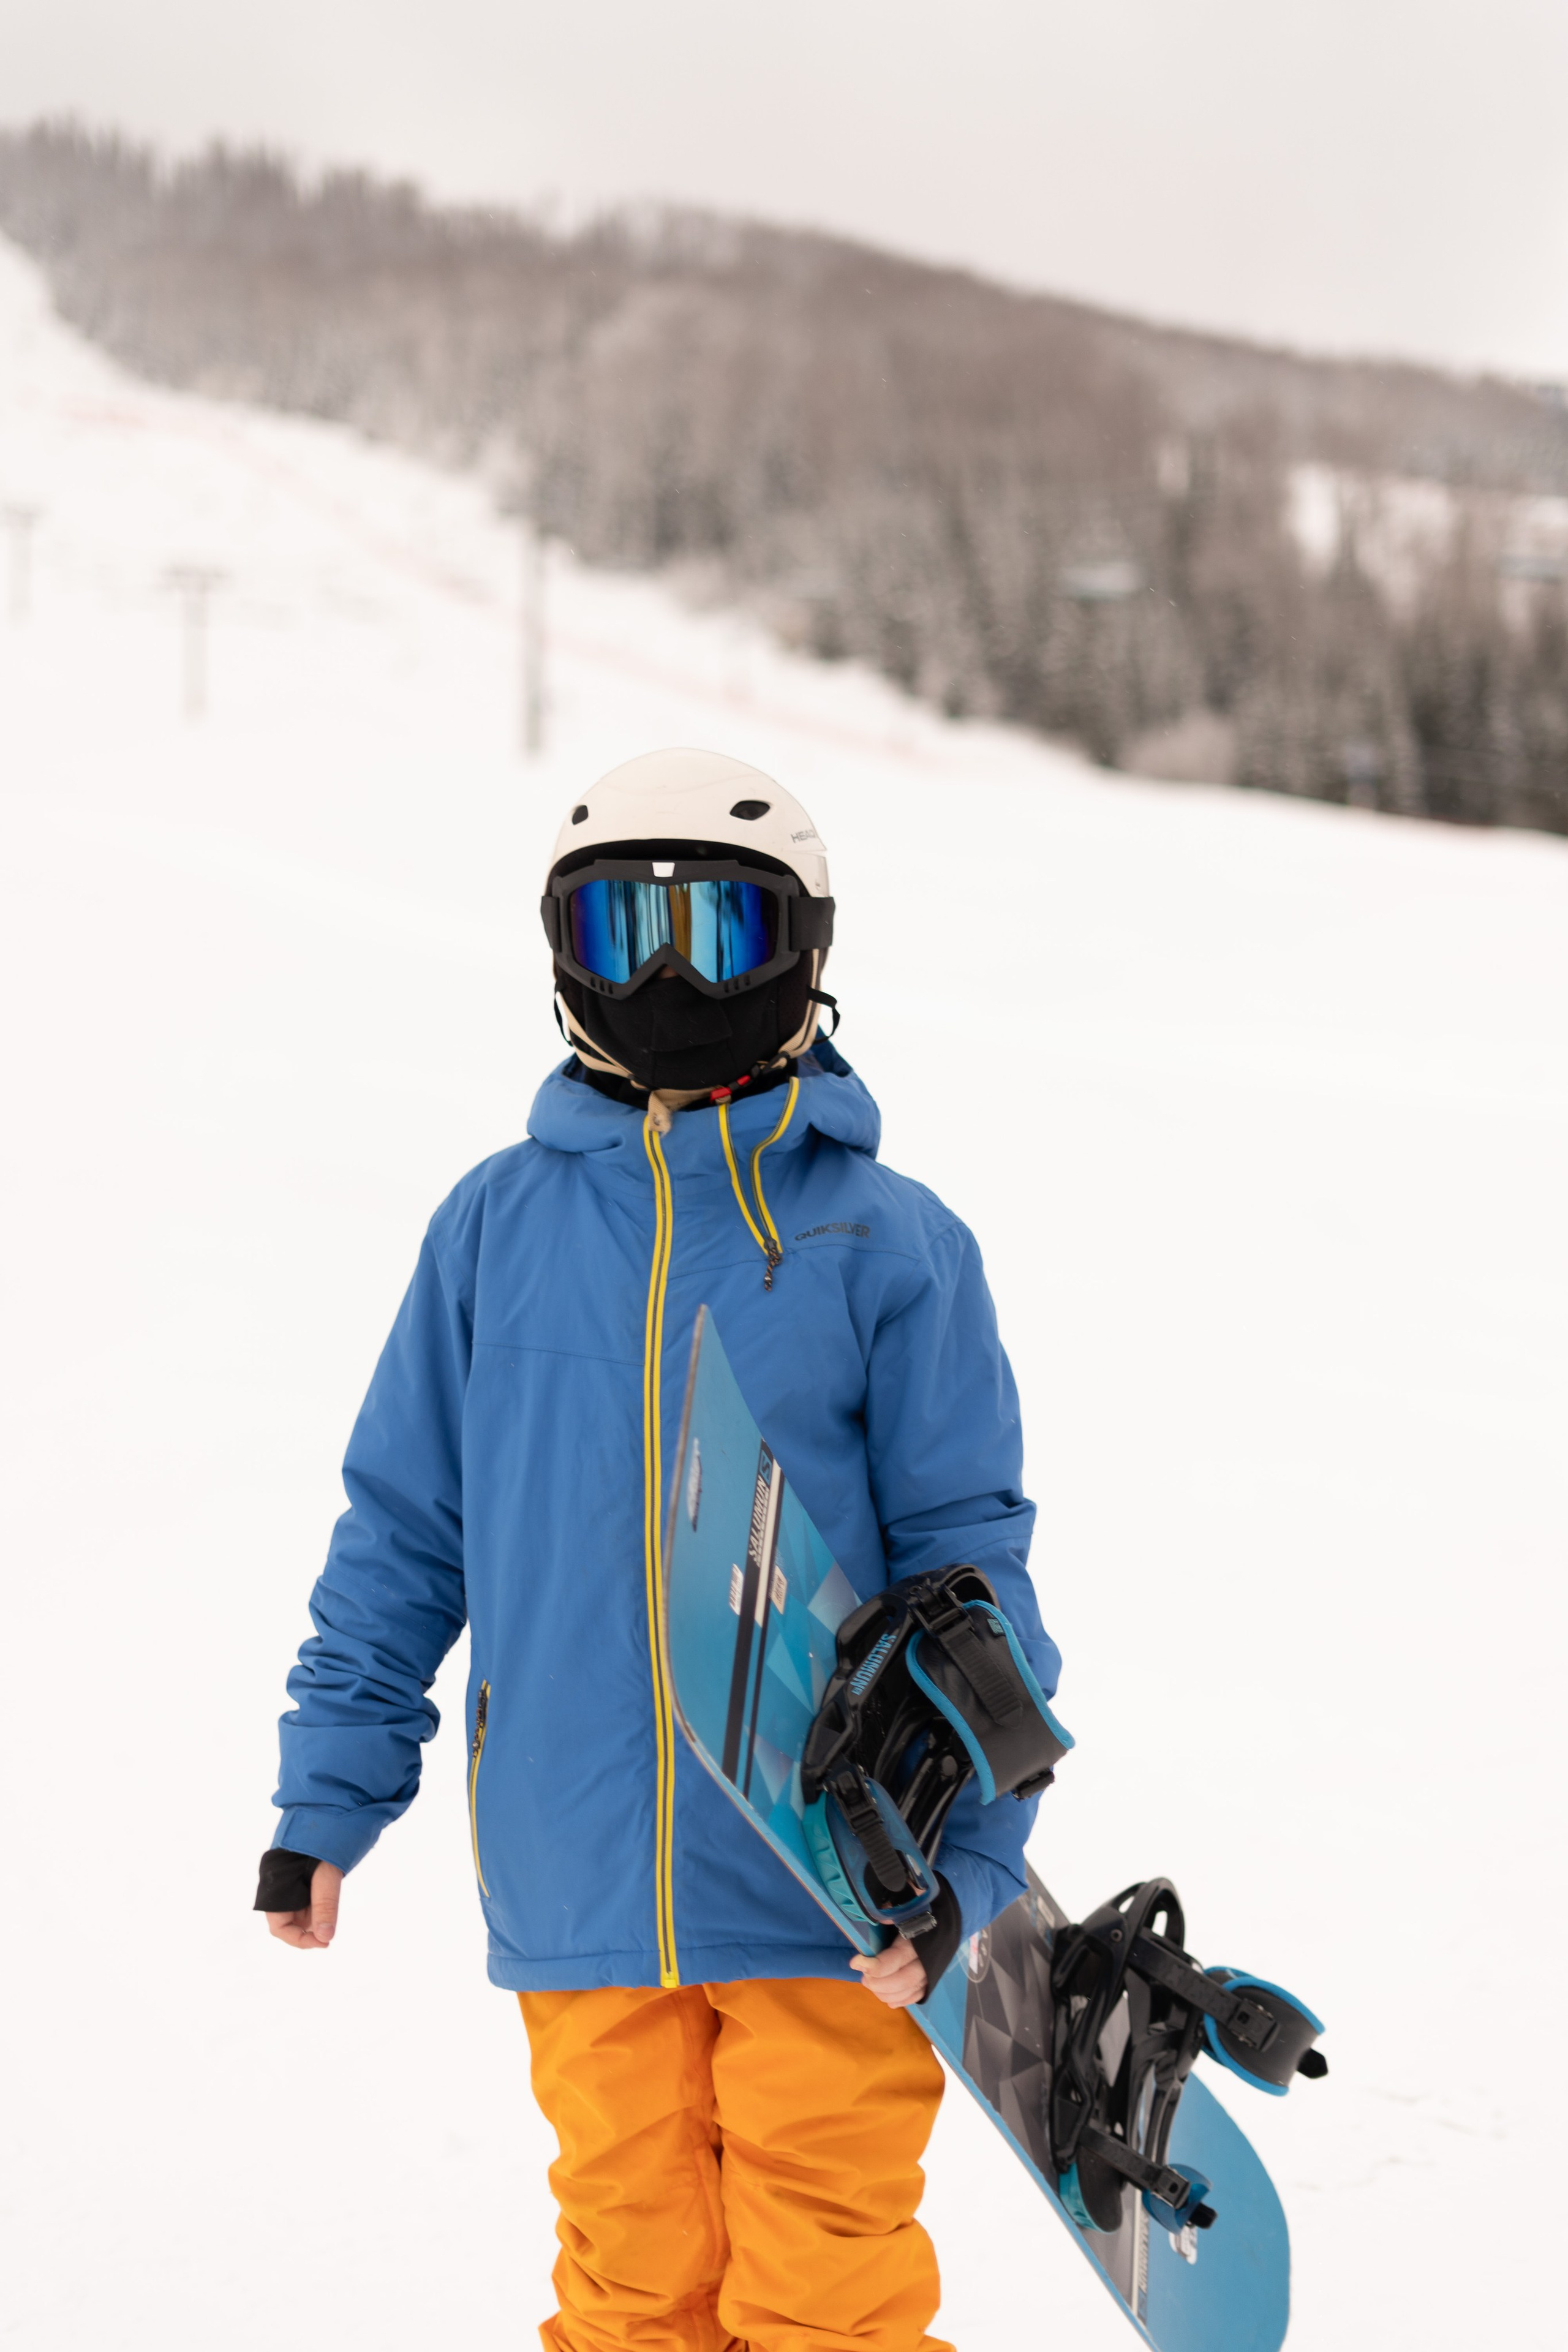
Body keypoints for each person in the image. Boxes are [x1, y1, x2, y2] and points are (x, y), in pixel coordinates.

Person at [258, 746, 1062, 2352]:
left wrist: (965, 1861)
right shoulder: (494, 1228)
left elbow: (973, 1561)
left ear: (807, 953)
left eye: (727, 930)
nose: (678, 977)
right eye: (630, 931)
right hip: (578, 1873)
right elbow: (409, 1531)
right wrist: (327, 1794)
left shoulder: (889, 1241)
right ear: (566, 955)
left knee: (826, 2288)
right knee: (631, 2289)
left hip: (828, 1880)